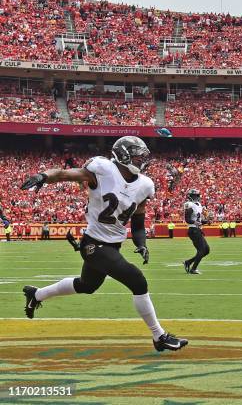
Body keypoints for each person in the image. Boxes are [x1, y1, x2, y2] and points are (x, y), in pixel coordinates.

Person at [20, 136, 187, 352]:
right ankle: (159, 336)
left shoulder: (145, 185)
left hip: (113, 244)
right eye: (137, 156)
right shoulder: (103, 169)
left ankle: (36, 294)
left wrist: (141, 243)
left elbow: (137, 222)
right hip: (93, 244)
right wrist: (43, 176)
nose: (141, 160)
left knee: (86, 285)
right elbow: (63, 173)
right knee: (137, 281)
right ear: (124, 155)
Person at [183, 189, 210, 275]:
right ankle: (193, 269)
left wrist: (206, 221)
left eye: (198, 195)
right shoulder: (189, 205)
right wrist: (195, 222)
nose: (198, 197)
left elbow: (198, 220)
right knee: (201, 250)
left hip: (197, 229)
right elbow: (187, 219)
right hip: (193, 230)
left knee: (206, 250)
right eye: (196, 196)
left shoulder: (198, 205)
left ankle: (188, 262)